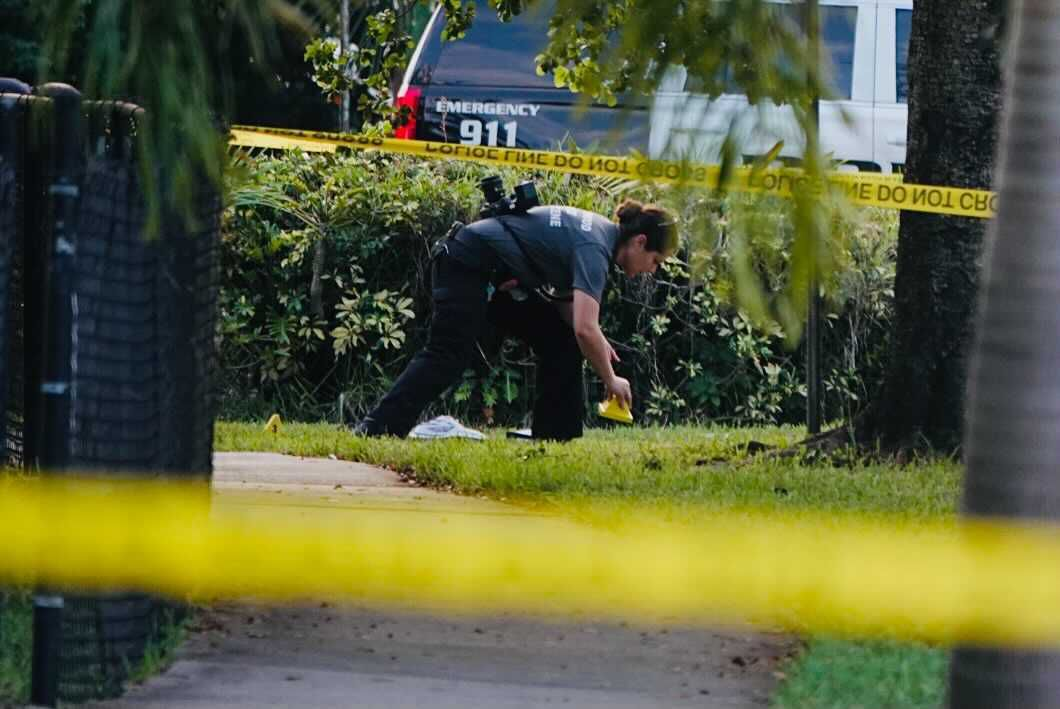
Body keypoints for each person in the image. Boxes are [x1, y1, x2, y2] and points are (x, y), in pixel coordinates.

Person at [354, 198, 679, 441]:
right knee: (447, 354)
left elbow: (572, 317)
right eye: (655, 260)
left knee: (558, 337)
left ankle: (553, 437)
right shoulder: (595, 247)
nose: (652, 270)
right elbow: (584, 327)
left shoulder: (597, 234)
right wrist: (611, 379)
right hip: (467, 264)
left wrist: (599, 340)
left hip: (494, 273)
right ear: (639, 242)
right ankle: (377, 428)